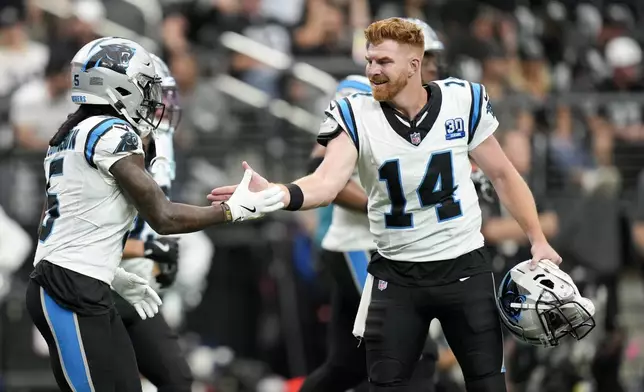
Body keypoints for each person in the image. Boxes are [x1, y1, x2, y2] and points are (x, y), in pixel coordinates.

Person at [209, 18, 561, 391]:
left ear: (415, 63)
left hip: (464, 269)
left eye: (384, 62)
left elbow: (504, 174)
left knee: (488, 384)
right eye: (370, 61)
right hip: (396, 275)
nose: (373, 70)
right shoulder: (356, 112)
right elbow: (326, 182)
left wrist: (537, 238)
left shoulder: (462, 99)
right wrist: (275, 193)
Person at [25, 37, 284, 392]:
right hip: (69, 288)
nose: (151, 97)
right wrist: (231, 210)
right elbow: (163, 217)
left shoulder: (72, 134)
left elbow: (69, 226)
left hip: (79, 281)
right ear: (117, 86)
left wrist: (108, 270)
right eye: (145, 86)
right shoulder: (112, 133)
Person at [301, 19, 446, 392]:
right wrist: (384, 204)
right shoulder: (361, 89)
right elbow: (318, 166)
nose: (433, 68)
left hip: (385, 245)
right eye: (428, 58)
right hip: (357, 245)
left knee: (346, 365)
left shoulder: (430, 103)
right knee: (414, 350)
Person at [113, 53, 192, 392]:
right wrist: (146, 248)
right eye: (154, 97)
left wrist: (154, 252)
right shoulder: (109, 144)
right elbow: (78, 237)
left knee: (175, 378)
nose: (163, 106)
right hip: (95, 283)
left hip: (137, 285)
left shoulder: (159, 142)